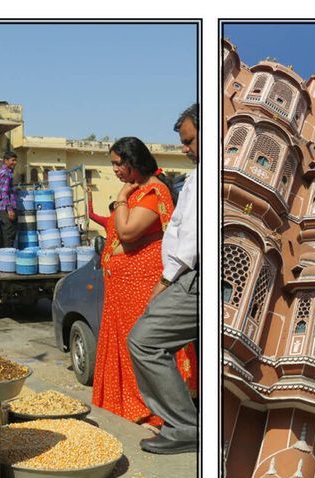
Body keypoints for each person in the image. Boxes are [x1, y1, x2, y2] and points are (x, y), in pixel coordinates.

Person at [90, 136, 192, 430]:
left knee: (140, 344)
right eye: (113, 165)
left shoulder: (153, 192)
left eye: (118, 164)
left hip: (141, 282)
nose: (115, 170)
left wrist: (121, 197)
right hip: (123, 285)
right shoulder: (142, 191)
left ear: (133, 163)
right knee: (125, 343)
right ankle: (125, 405)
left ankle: (150, 409)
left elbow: (127, 232)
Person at [127, 104, 202, 454]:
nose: (184, 148)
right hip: (181, 273)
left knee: (144, 340)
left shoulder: (157, 189)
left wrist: (168, 279)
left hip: (189, 275)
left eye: (189, 140)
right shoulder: (195, 177)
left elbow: (192, 238)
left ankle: (185, 427)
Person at [0, 151, 21, 248]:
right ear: (6, 161)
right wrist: (10, 209)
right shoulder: (6, 174)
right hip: (7, 209)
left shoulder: (0, 172)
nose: (14, 163)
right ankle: (8, 259)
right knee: (9, 236)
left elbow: (0, 191)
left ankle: (2, 259)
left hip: (3, 208)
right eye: (12, 160)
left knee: (3, 235)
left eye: (15, 160)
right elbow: (4, 192)